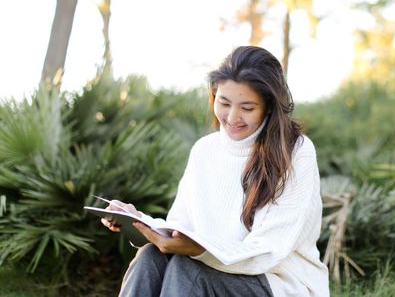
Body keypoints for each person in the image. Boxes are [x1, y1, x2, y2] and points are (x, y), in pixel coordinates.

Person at [102, 46, 329, 296]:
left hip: (279, 282)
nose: (232, 117)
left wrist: (199, 251)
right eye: (224, 102)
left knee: (187, 269)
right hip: (207, 270)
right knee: (149, 257)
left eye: (247, 108)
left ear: (269, 107)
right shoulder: (204, 150)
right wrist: (141, 223)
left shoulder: (296, 152)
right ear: (214, 96)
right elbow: (180, 228)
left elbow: (268, 252)